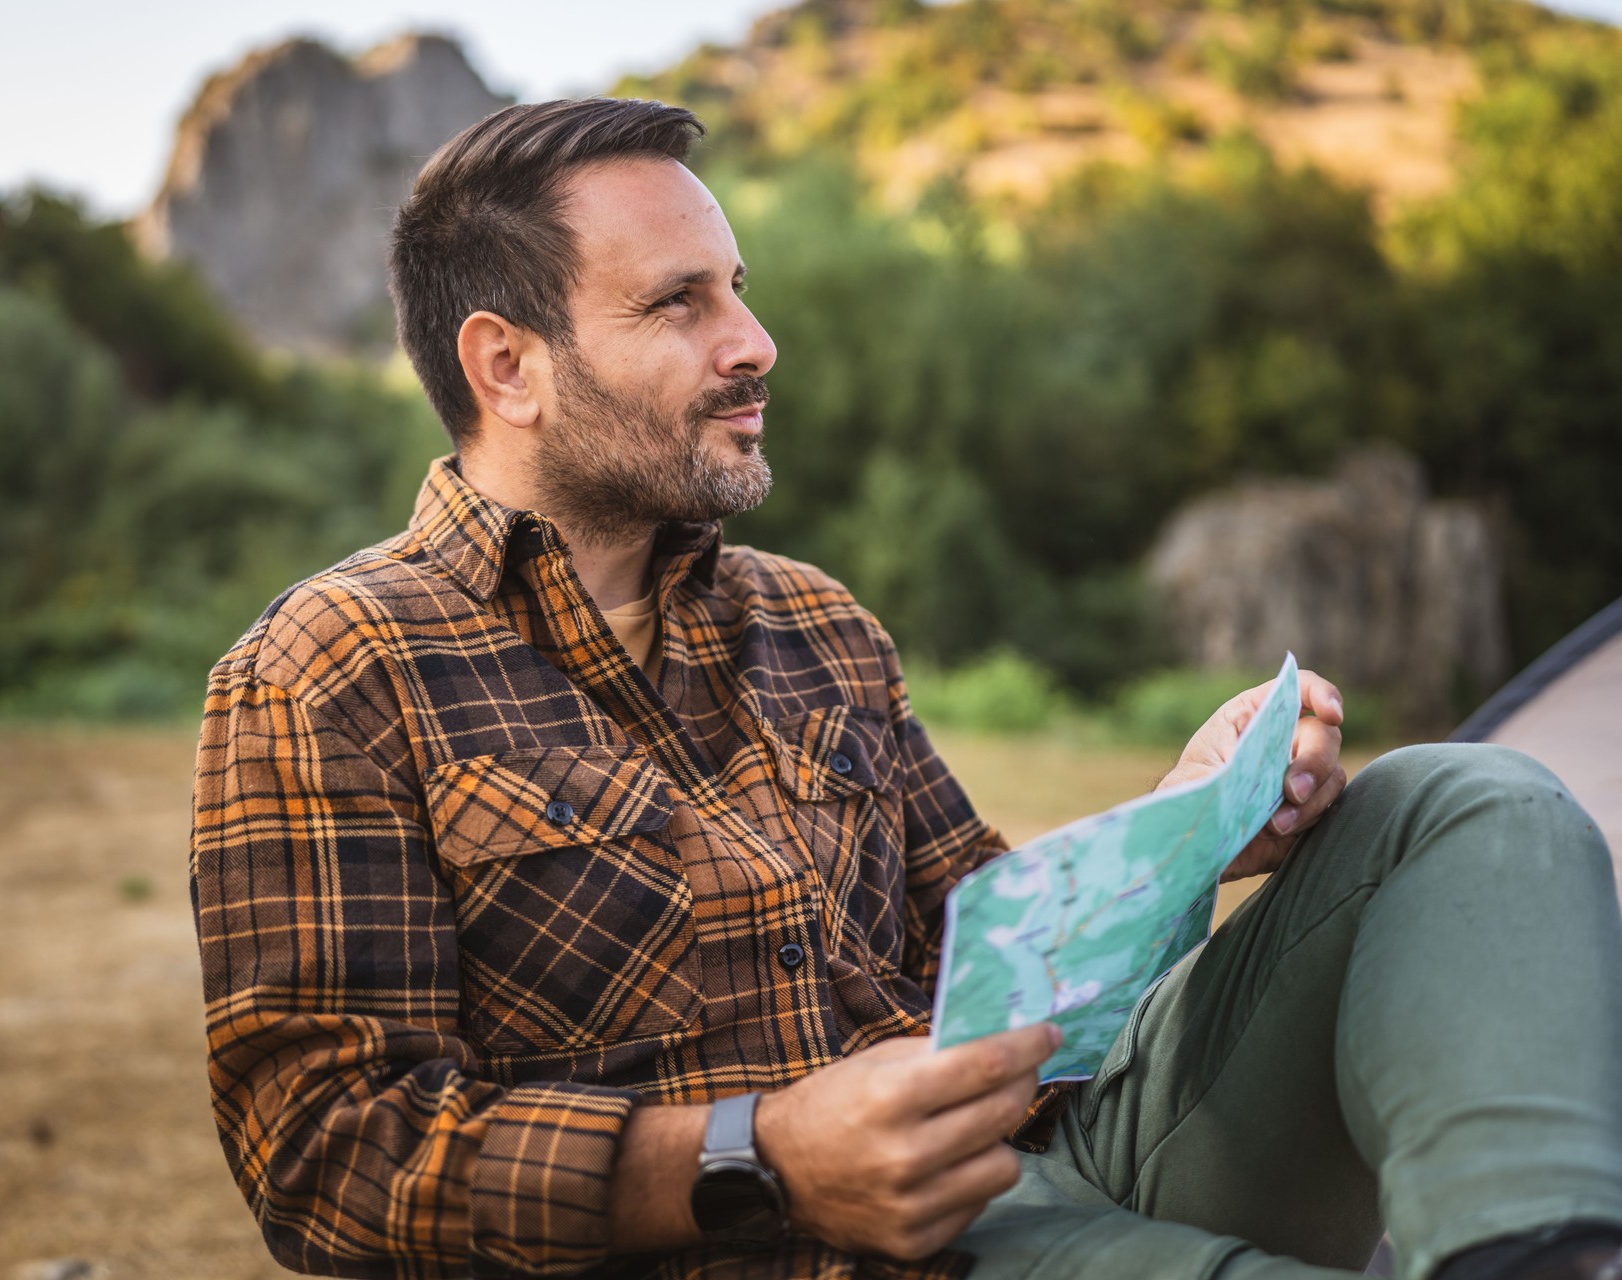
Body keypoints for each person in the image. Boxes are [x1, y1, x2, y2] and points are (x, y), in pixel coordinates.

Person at [188, 98, 1622, 1280]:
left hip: (1017, 1183)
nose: (754, 344)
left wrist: (1194, 827)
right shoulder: (332, 671)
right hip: (755, 1257)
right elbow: (325, 1152)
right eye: (681, 304)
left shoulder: (815, 624)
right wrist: (760, 1159)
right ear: (508, 365)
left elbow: (990, 966)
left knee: (1463, 798)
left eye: (737, 292)